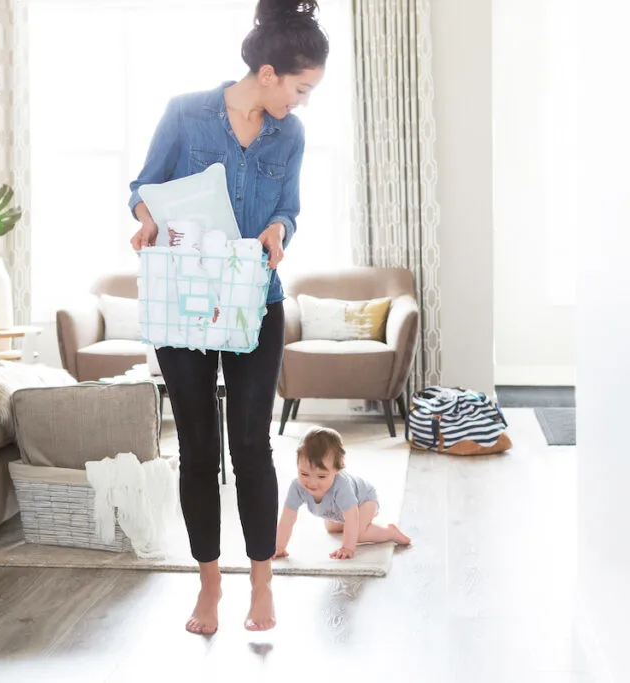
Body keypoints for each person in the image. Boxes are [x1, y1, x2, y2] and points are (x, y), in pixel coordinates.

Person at [128, 0, 329, 635]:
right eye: (300, 88)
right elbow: (143, 187)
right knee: (196, 446)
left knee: (250, 444)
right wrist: (149, 220)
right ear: (268, 74)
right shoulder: (185, 114)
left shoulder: (288, 134)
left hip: (254, 302)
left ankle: (261, 582)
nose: (302, 103)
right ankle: (209, 586)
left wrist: (278, 228)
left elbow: (290, 208)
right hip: (183, 303)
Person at [273, 427, 412, 560]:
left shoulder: (341, 486)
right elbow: (287, 519)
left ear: (337, 469)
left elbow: (352, 517)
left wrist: (347, 548)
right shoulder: (297, 487)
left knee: (357, 534)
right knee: (331, 528)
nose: (311, 483)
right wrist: (279, 546)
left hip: (364, 501)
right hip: (340, 511)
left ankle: (390, 532)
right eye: (304, 473)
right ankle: (360, 523)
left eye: (321, 476)